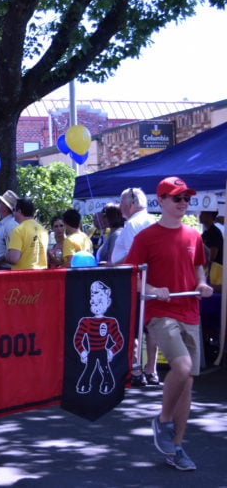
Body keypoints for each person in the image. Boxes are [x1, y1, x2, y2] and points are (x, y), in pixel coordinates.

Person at [125, 176, 212, 471]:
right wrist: (151, 291)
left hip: (190, 311)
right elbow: (135, 277)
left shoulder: (194, 236)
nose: (183, 202)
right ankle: (162, 420)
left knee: (186, 382)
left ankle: (176, 447)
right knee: (183, 368)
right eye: (177, 198)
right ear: (160, 201)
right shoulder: (145, 237)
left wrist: (202, 284)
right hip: (161, 313)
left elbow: (199, 268)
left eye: (186, 198)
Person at [111, 187, 158, 386]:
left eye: (122, 202)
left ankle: (136, 367)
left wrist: (114, 264)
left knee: (134, 325)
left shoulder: (132, 224)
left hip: (135, 282)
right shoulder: (154, 222)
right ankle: (151, 369)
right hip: (152, 281)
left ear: (130, 204)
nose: (120, 206)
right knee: (151, 326)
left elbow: (134, 257)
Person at [6, 198, 49, 270]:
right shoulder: (43, 230)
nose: (12, 213)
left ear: (19, 211)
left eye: (13, 209)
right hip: (41, 275)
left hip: (23, 276)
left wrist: (6, 255)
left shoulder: (18, 230)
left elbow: (13, 259)